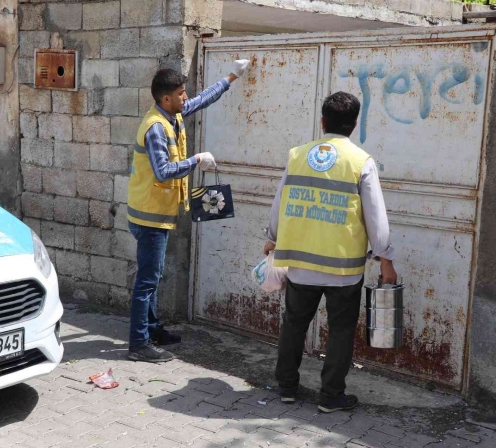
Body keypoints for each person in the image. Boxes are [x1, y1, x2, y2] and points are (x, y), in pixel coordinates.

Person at [263, 91, 398, 413]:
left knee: (294, 324)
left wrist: (272, 237)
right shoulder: (360, 161)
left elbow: (280, 200)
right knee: (340, 330)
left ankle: (286, 387)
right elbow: (376, 217)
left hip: (300, 264)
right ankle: (330, 396)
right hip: (342, 269)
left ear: (322, 121)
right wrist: (386, 261)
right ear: (355, 124)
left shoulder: (298, 155)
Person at [126, 60, 250, 363]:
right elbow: (163, 171)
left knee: (153, 278)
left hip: (158, 213)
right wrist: (196, 160)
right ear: (166, 98)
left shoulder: (173, 115)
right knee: (147, 281)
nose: (186, 97)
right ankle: (138, 343)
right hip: (149, 216)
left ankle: (153, 330)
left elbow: (203, 99)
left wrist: (232, 75)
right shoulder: (157, 128)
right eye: (181, 94)